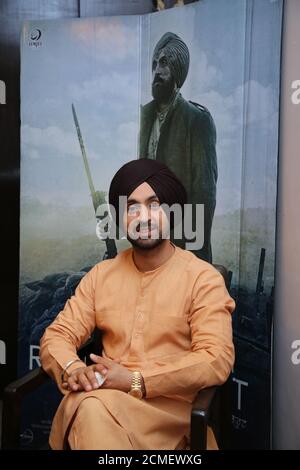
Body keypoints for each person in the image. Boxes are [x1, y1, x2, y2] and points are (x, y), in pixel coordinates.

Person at [40, 159, 234, 450]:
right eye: (132, 207)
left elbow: (215, 358)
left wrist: (135, 380)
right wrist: (73, 369)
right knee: (90, 407)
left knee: (87, 407)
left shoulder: (202, 279)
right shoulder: (101, 276)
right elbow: (57, 335)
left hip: (171, 416)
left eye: (154, 205)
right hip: (103, 402)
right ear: (120, 218)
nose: (143, 217)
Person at [139, 32, 217, 262]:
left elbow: (204, 194)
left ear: (178, 69)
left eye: (164, 63)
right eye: (154, 64)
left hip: (181, 249)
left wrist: (191, 259)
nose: (157, 70)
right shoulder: (144, 117)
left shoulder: (197, 119)